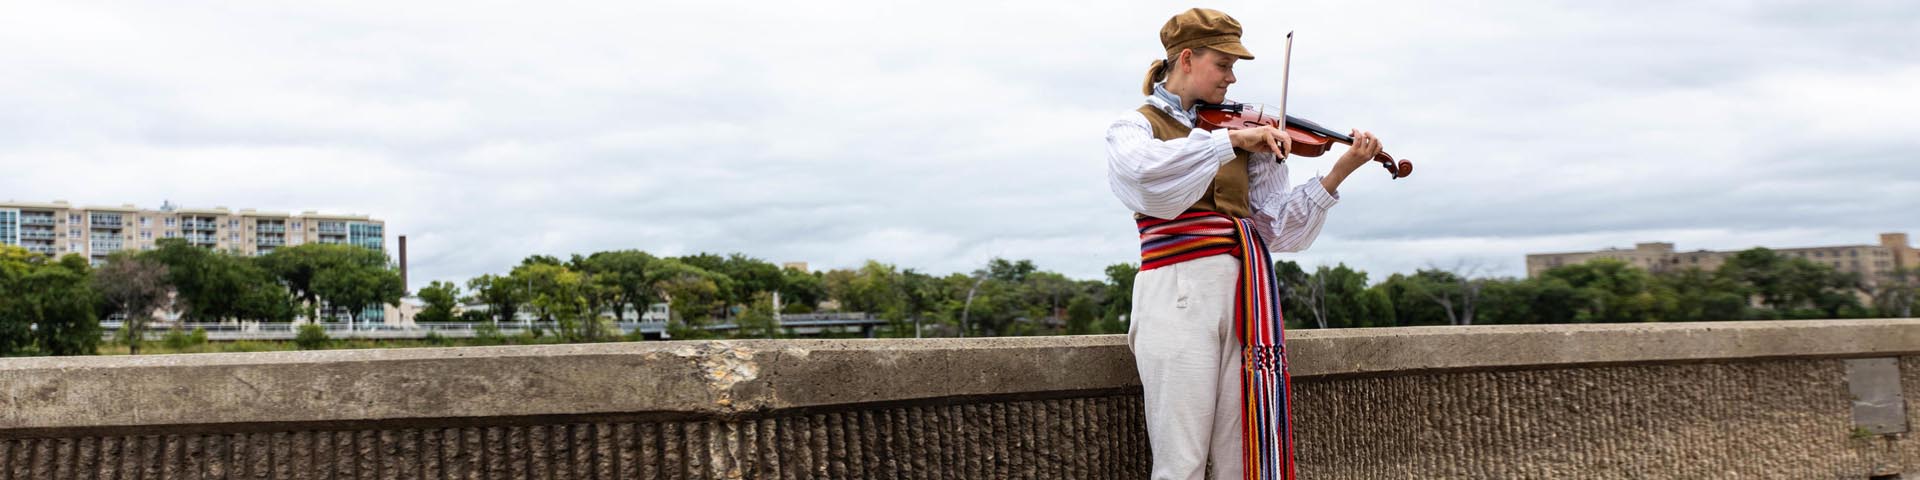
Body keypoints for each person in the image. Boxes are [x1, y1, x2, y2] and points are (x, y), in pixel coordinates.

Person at [1104, 8, 1385, 480]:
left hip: (1244, 292)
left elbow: (1276, 229)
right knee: (1182, 458)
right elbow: (1145, 177)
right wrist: (1230, 143)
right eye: (1224, 64)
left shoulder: (1239, 129)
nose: (1233, 78)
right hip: (1176, 289)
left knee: (1242, 453)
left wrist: (1341, 170)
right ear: (1187, 58)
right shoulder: (1134, 126)